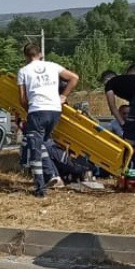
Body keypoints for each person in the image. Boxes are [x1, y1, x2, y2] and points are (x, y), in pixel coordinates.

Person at [17, 44, 79, 197]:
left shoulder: (23, 71)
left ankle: (40, 189)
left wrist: (28, 111)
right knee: (43, 142)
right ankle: (52, 175)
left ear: (25, 56)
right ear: (41, 54)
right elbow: (74, 78)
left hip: (37, 111)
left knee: (35, 149)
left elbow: (22, 98)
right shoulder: (53, 66)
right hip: (55, 110)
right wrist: (63, 96)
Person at [102, 66, 135, 142]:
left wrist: (123, 124)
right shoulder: (127, 81)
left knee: (130, 135)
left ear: (106, 80)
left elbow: (112, 107)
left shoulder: (109, 83)